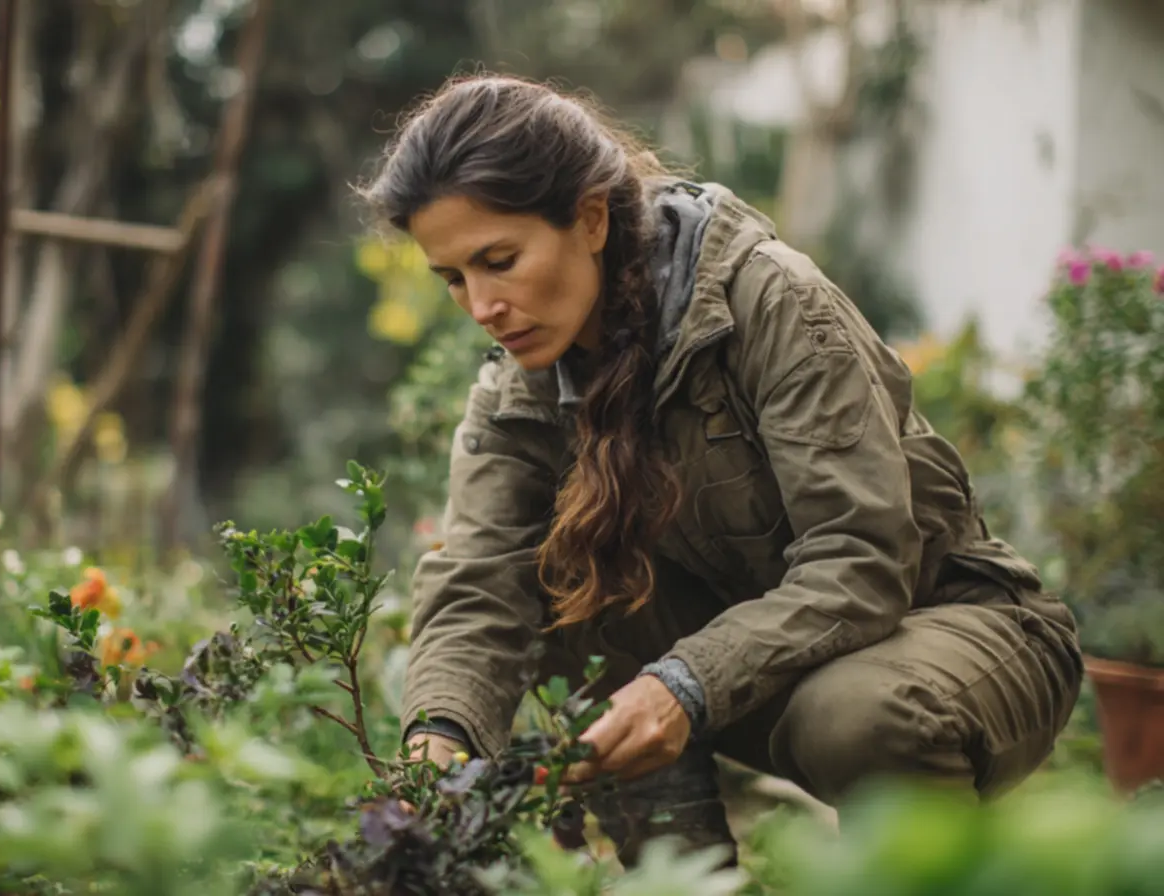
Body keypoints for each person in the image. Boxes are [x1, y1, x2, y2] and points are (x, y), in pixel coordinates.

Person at [356, 73, 1083, 862]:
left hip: (954, 633)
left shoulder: (769, 301)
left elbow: (862, 562)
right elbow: (476, 586)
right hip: (773, 669)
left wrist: (685, 684)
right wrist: (438, 742)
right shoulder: (520, 388)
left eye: (500, 260)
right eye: (455, 278)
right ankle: (686, 877)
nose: (481, 306)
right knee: (566, 590)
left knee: (854, 715)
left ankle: (911, 877)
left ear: (591, 218)